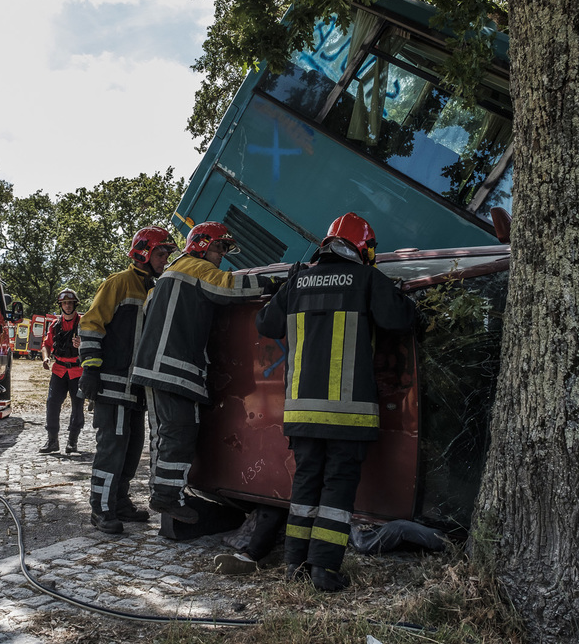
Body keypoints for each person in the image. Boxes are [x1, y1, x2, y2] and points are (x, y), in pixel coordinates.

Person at [254, 212, 417, 592]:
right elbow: (400, 319)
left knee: (305, 486)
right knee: (337, 490)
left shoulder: (298, 280)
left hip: (301, 412)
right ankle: (324, 569)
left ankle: (295, 565)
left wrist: (286, 286)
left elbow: (266, 324)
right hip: (349, 413)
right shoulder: (366, 278)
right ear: (363, 247)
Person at [131, 221, 279, 524]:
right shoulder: (194, 268)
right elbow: (229, 286)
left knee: (168, 433)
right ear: (201, 245)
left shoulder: (174, 272)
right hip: (173, 369)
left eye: (225, 248)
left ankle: (165, 493)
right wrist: (275, 283)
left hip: (159, 367)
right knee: (178, 430)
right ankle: (166, 497)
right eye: (219, 247)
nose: (223, 254)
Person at [78, 226, 178, 534]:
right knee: (111, 449)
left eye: (166, 255)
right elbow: (91, 324)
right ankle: (101, 509)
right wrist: (91, 369)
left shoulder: (155, 287)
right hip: (112, 385)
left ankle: (119, 502)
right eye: (161, 254)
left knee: (132, 451)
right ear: (144, 253)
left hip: (136, 390)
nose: (165, 260)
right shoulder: (118, 283)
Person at [39, 288, 85, 454]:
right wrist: (45, 358)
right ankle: (52, 441)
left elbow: (96, 343)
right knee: (52, 403)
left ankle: (72, 441)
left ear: (74, 304)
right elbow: (46, 344)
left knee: (77, 406)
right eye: (64, 303)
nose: (67, 306)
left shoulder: (84, 323)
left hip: (77, 371)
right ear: (60, 305)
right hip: (58, 370)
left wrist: (82, 344)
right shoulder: (55, 325)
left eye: (70, 303)